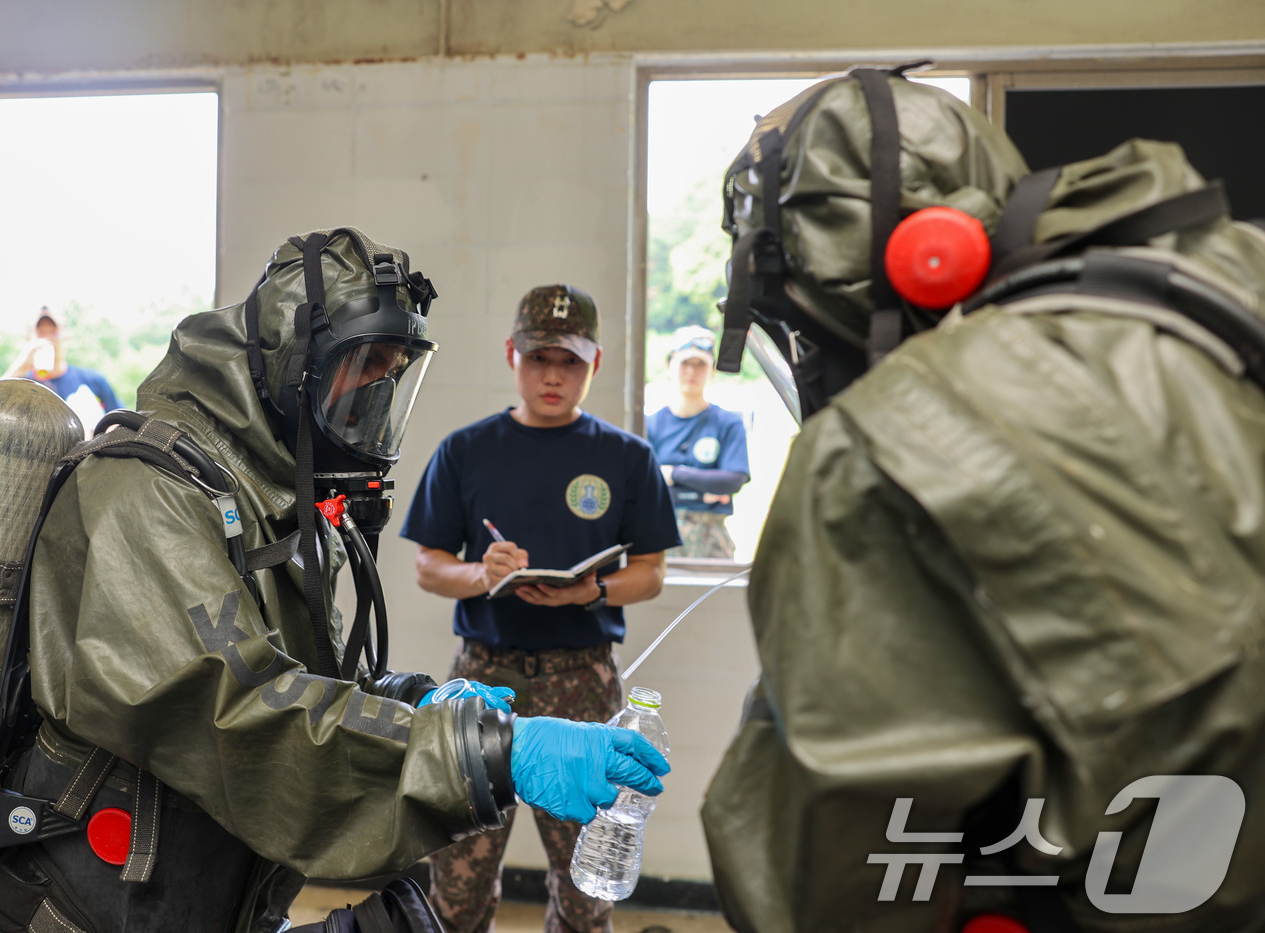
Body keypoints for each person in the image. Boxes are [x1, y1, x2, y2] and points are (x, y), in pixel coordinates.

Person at [0, 231, 669, 933]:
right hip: (99, 895)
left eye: (391, 373)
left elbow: (305, 677)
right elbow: (238, 711)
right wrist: (489, 753)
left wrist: (423, 702)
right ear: (294, 361)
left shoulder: (267, 493)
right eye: (362, 368)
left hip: (201, 880)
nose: (374, 397)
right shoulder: (150, 491)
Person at [700, 70, 1265, 933]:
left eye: (804, 331)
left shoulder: (881, 444)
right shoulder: (1223, 291)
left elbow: (832, 896)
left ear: (915, 260)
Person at [400, 283, 681, 933]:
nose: (554, 376)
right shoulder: (467, 450)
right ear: (511, 355)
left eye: (571, 362)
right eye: (538, 359)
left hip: (582, 679)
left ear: (596, 363)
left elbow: (652, 572)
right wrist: (481, 570)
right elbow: (427, 564)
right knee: (459, 871)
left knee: (587, 881)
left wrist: (594, 590)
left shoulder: (627, 457)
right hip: (482, 677)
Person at [645, 326, 750, 559]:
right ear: (669, 365)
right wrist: (705, 490)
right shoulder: (650, 425)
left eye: (700, 364)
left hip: (711, 537)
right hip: (660, 534)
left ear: (712, 370)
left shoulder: (727, 423)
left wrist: (673, 473)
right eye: (684, 363)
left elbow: (732, 480)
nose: (691, 371)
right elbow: (645, 485)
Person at [4, 306, 122, 436]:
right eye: (41, 333)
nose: (48, 338)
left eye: (53, 332)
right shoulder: (20, 386)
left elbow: (121, 422)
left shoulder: (92, 380)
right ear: (29, 339)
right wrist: (18, 368)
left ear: (66, 337)